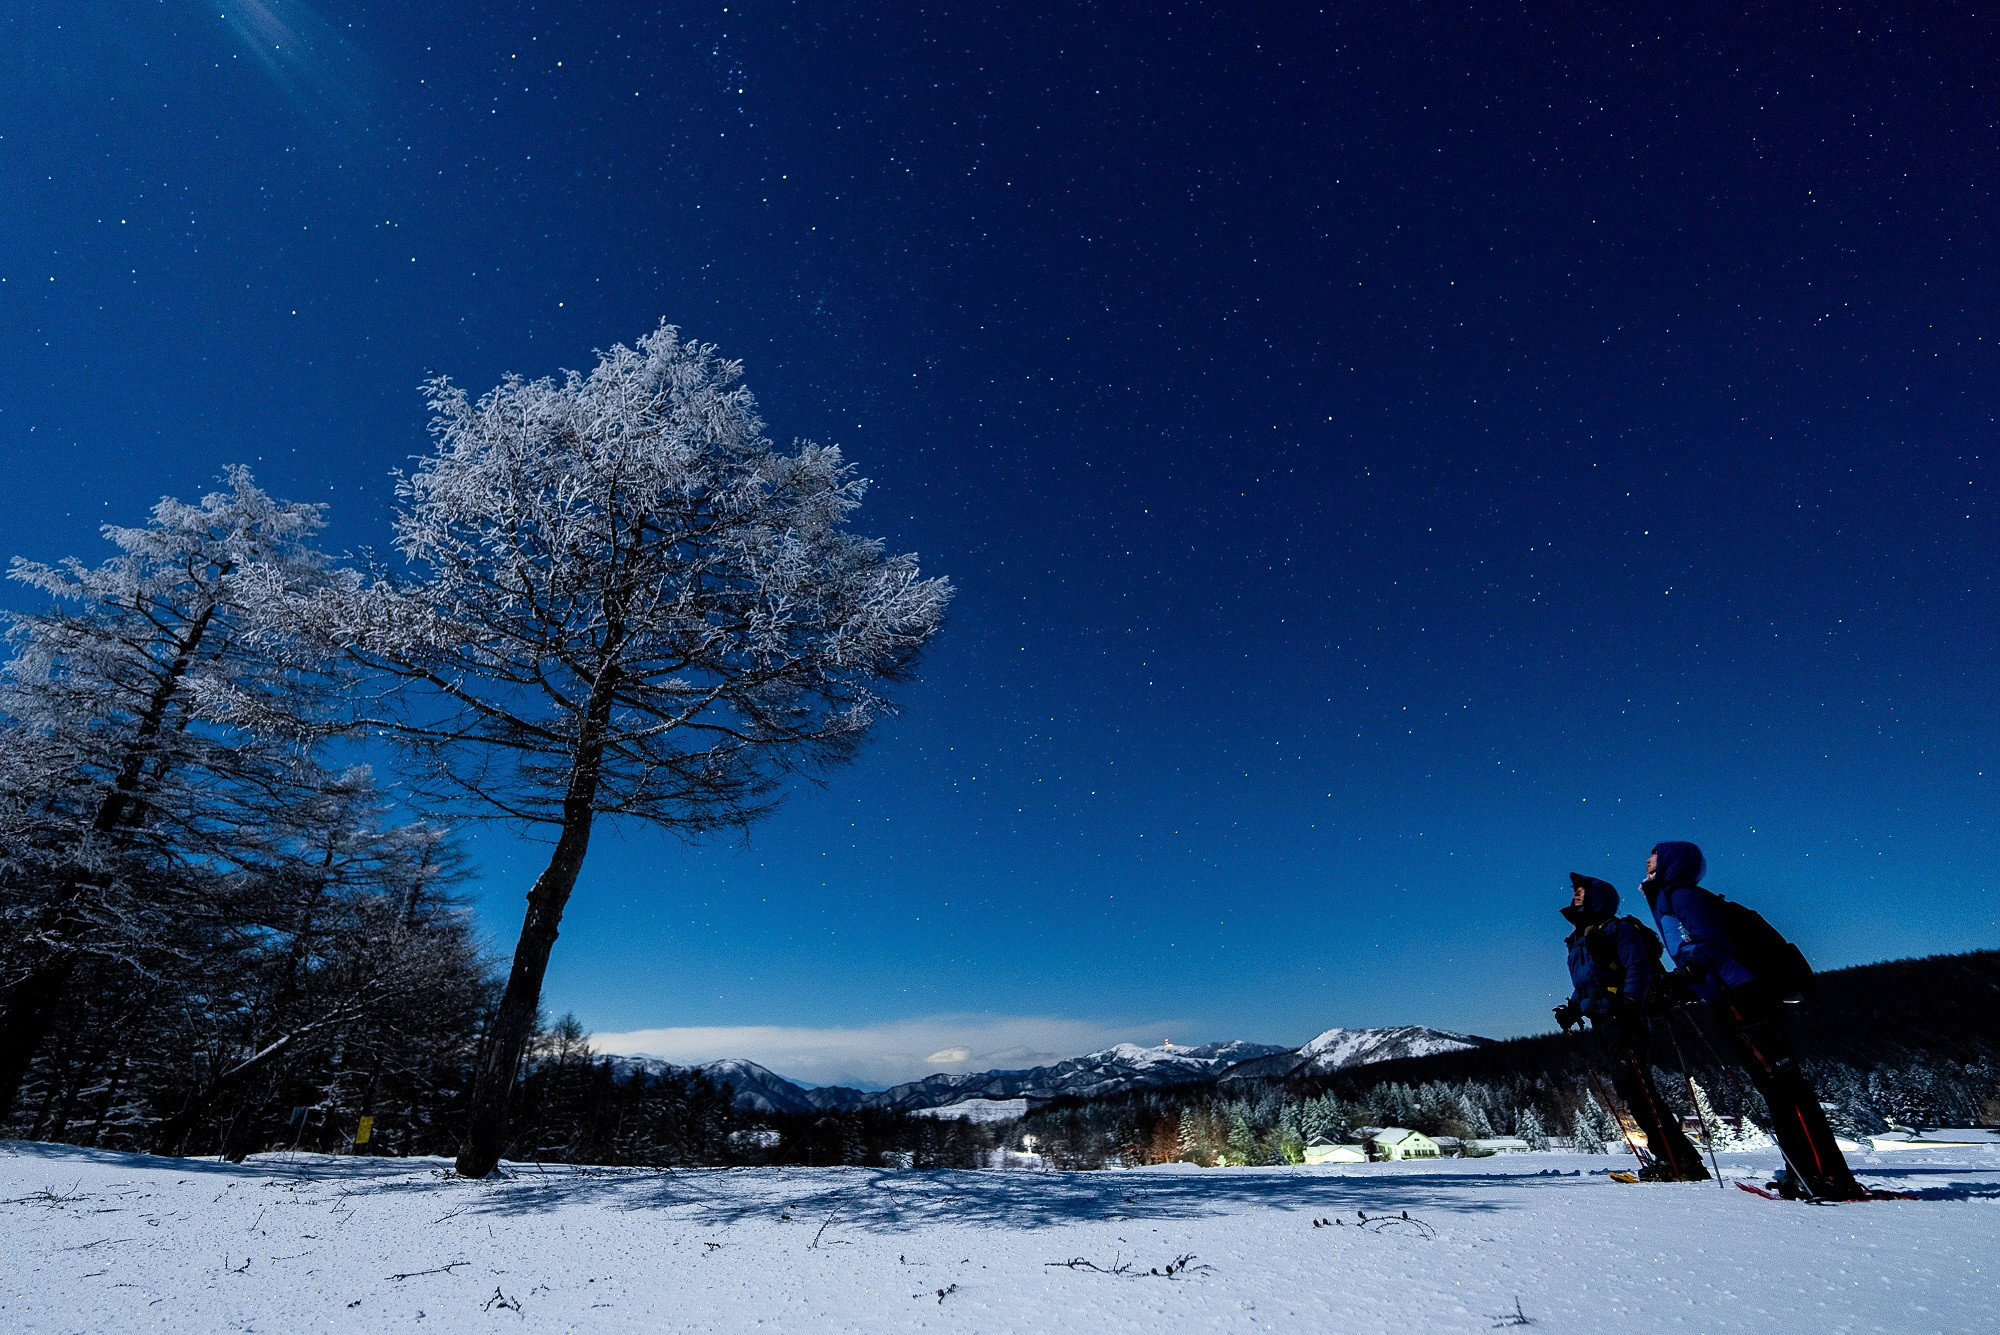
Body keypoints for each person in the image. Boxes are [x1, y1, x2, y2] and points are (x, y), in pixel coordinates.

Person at [1641, 840, 1865, 1201]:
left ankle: (1827, 1175)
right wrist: (1684, 985)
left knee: (1782, 1084)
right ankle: (1805, 1172)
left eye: (1654, 854)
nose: (1647, 859)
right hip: (1731, 996)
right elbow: (1697, 951)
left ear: (1671, 861)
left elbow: (1711, 944)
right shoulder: (1670, 897)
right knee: (1774, 1086)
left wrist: (1684, 977)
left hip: (1742, 996)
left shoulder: (1682, 895)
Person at [1553, 873, 1708, 1181]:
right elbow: (1588, 981)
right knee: (1632, 1089)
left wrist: (1629, 1002)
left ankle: (1681, 1161)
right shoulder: (1581, 937)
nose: (1576, 895)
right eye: (1575, 891)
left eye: (1582, 890)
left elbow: (1636, 967)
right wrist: (1573, 1008)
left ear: (1599, 896)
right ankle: (1675, 1159)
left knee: (1638, 1089)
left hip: (1623, 1018)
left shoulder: (1618, 929)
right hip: (1604, 1018)